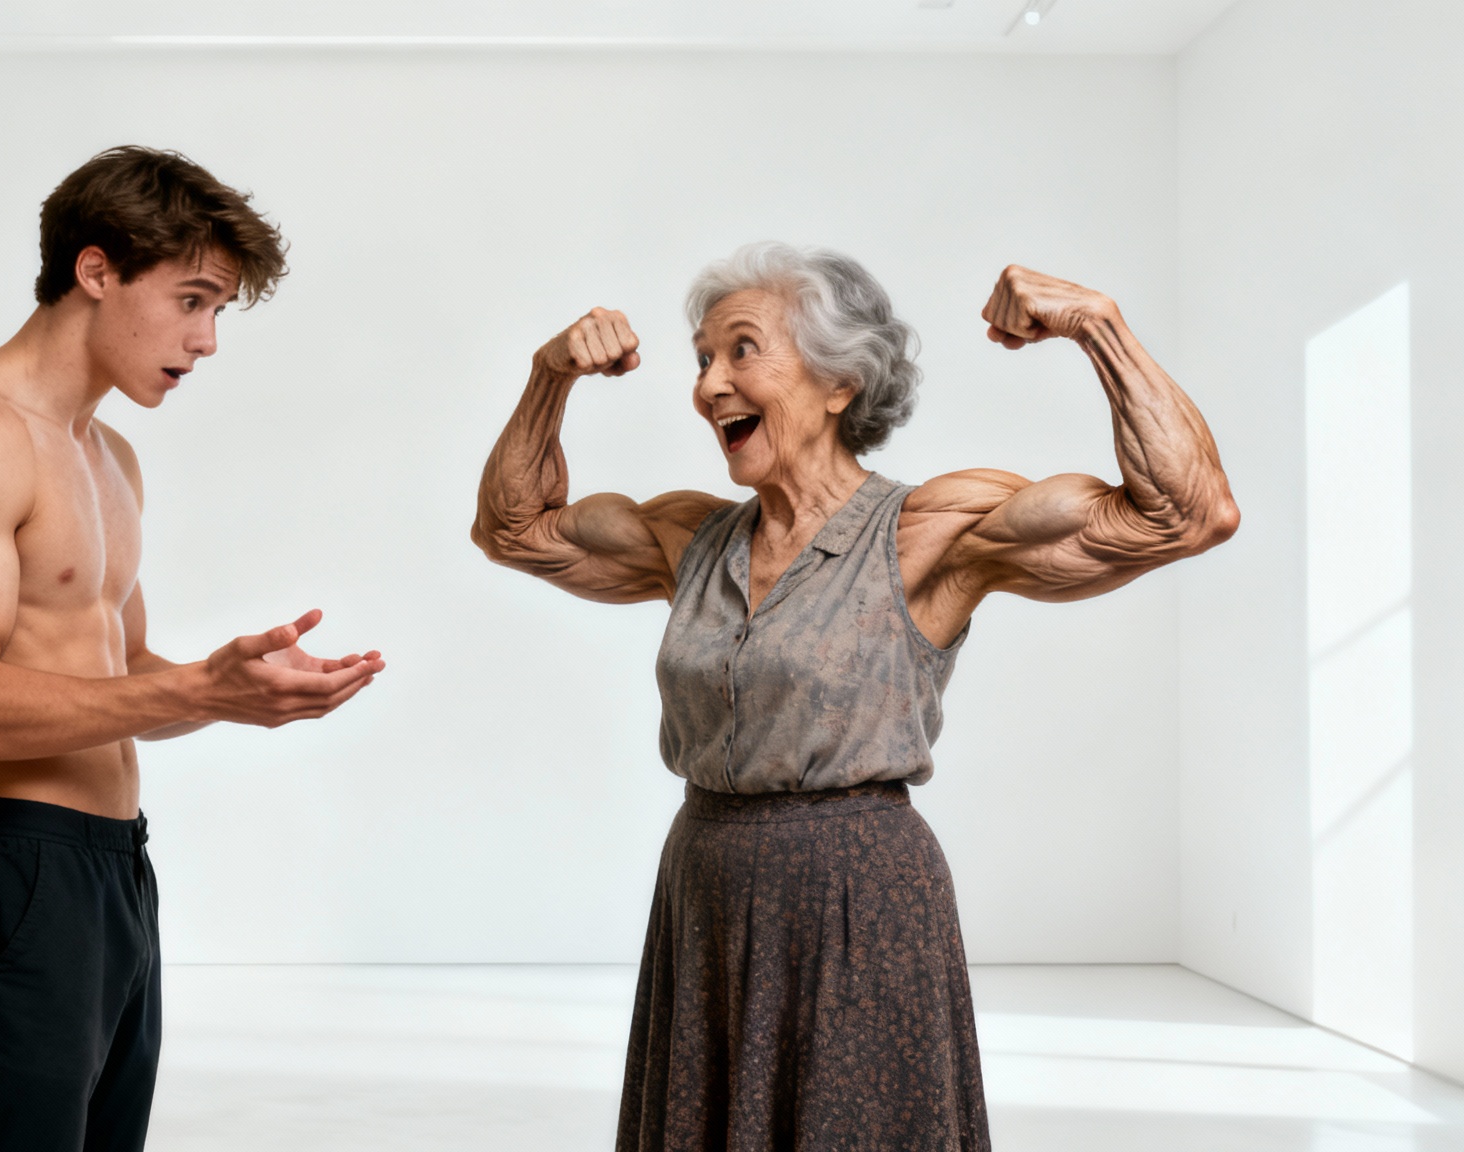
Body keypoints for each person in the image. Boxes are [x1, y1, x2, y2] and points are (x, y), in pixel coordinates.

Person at [471, 243, 1238, 1151]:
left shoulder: (930, 531)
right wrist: (547, 377)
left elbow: (1188, 512)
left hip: (859, 905)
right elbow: (512, 529)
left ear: (839, 384)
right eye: (702, 358)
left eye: (741, 350)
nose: (710, 384)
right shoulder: (690, 538)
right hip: (705, 894)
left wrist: (1100, 329)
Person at [0, 146, 386, 1152]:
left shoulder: (109, 456)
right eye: (191, 300)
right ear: (95, 271)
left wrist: (234, 692)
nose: (206, 340)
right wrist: (194, 688)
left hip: (114, 869)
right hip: (11, 869)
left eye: (219, 311)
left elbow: (125, 674)